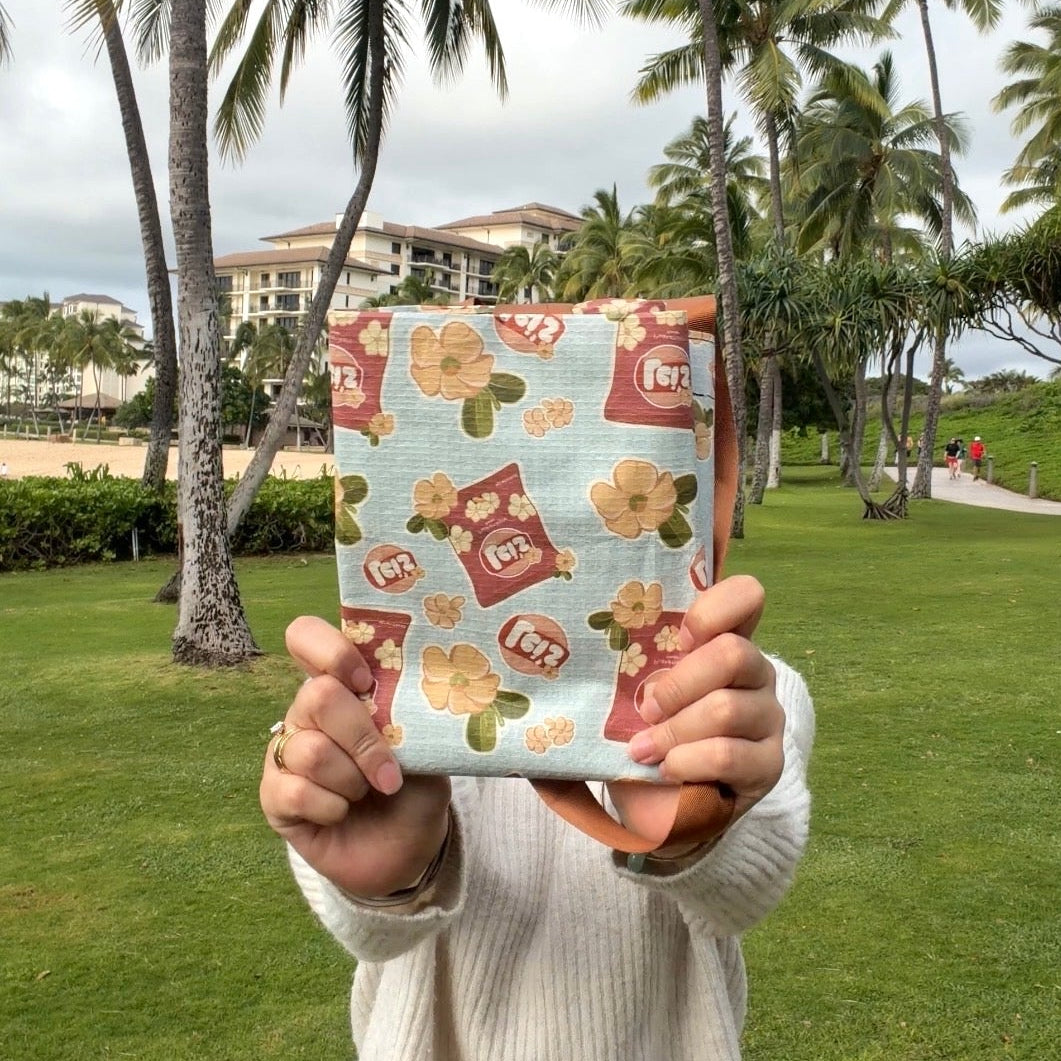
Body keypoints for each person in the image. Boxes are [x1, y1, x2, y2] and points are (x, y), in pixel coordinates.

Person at [260, 576, 813, 1061]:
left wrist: (690, 821)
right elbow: (374, 938)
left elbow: (746, 895)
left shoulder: (731, 700)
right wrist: (393, 883)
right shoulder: (383, 690)